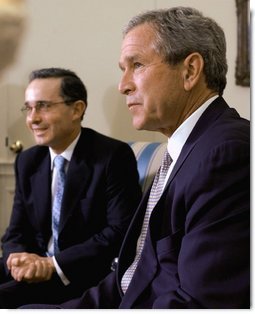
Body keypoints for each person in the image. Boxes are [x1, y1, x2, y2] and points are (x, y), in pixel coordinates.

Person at [21, 6, 250, 309]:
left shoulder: (227, 153)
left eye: (137, 65)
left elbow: (198, 301)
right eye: (122, 69)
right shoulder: (184, 150)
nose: (123, 85)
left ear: (190, 71)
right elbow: (132, 278)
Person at [0, 67, 142, 308]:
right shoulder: (28, 161)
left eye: (43, 106)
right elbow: (15, 231)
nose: (32, 118)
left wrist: (52, 264)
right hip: (33, 270)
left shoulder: (112, 156)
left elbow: (120, 232)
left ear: (77, 109)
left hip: (78, 275)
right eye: (29, 107)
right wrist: (16, 258)